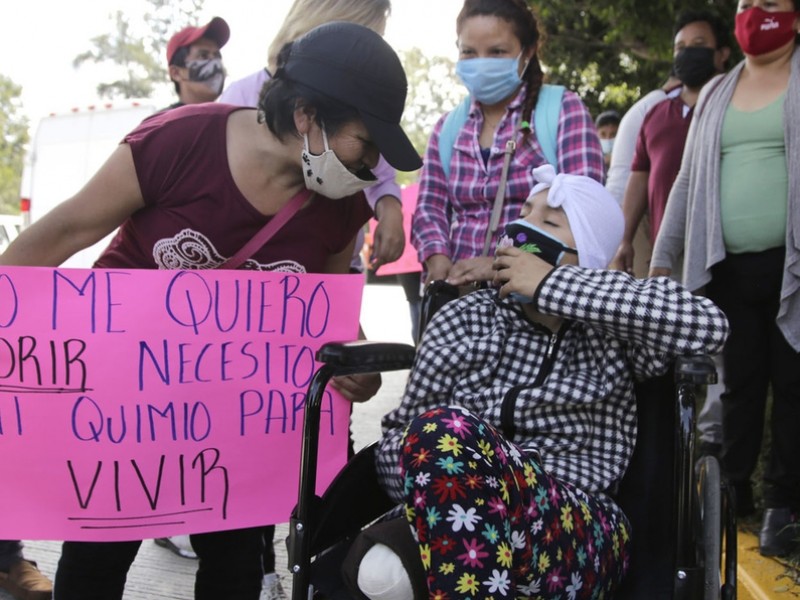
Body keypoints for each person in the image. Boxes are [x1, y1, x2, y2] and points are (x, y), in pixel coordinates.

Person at [0, 22, 421, 600]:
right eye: (364, 142)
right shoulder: (176, 144)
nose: (370, 165)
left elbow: (326, 316)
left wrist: (357, 365)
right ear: (306, 115)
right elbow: (57, 237)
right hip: (122, 416)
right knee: (96, 564)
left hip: (235, 432)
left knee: (236, 567)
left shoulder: (338, 207)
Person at [346, 164, 729, 599]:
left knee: (446, 437)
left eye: (548, 222)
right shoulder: (463, 319)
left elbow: (708, 326)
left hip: (578, 523)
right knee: (384, 567)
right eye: (524, 212)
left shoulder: (619, 336)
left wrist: (552, 285)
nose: (525, 227)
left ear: (585, 255)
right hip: (452, 507)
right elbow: (396, 447)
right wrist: (468, 476)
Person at [651, 0, 800, 558]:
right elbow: (688, 179)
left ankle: (782, 504)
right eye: (747, 3)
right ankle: (732, 495)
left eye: (772, 3)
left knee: (792, 384)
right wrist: (663, 257)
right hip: (728, 267)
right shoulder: (718, 90)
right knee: (738, 383)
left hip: (793, 265)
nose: (757, 11)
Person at [412, 0, 604, 288]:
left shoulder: (563, 110)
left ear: (526, 52)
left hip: (535, 302)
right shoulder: (448, 128)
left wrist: (502, 263)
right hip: (460, 303)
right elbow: (431, 207)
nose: (481, 63)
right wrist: (437, 259)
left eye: (497, 52)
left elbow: (585, 213)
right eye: (469, 52)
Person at [219, 0, 406, 272]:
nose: (372, 56)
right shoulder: (240, 96)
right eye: (364, 40)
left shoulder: (363, 105)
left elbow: (380, 175)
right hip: (255, 272)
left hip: (334, 267)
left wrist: (390, 209)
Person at [612, 9, 731, 276]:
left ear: (722, 53)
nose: (688, 53)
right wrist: (624, 238)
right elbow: (639, 176)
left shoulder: (736, 104)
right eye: (681, 47)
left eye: (698, 45)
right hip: (668, 257)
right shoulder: (656, 113)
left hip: (726, 253)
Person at [163, 17, 230, 110]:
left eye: (217, 56)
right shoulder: (162, 123)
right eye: (203, 56)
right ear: (176, 73)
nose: (216, 64)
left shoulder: (233, 119)